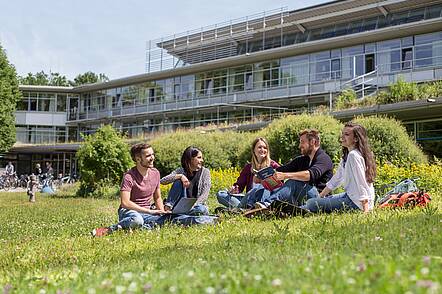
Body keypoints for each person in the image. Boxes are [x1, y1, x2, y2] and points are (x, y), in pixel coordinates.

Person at [92, 144, 216, 237]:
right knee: (137, 220)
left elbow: (157, 197)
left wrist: (161, 211)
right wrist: (151, 212)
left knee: (175, 219)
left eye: (152, 154)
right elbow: (125, 203)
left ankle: (211, 220)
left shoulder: (155, 173)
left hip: (149, 213)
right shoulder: (129, 176)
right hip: (130, 212)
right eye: (148, 156)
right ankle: (110, 229)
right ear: (138, 159)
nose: (152, 158)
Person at [305, 122, 376, 213]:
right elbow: (337, 179)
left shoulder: (353, 156)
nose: (342, 137)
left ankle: (304, 208)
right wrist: (321, 196)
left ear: (356, 139)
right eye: (342, 133)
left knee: (311, 203)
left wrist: (366, 209)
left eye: (346, 134)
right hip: (350, 196)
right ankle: (298, 209)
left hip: (357, 203)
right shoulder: (347, 156)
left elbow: (361, 182)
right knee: (316, 201)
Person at [254, 129, 333, 207]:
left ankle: (268, 205)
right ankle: (251, 206)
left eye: (302, 142)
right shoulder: (302, 160)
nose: (299, 146)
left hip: (319, 198)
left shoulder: (324, 159)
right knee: (266, 187)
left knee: (293, 182)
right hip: (301, 198)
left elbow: (309, 175)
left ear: (312, 142)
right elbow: (281, 170)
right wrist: (262, 176)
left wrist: (286, 176)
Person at [216, 137, 280, 209]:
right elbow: (239, 185)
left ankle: (241, 209)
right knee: (221, 194)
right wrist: (235, 189)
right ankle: (244, 209)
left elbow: (280, 184)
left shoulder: (273, 165)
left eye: (265, 148)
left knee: (262, 185)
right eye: (259, 147)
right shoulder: (248, 167)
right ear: (254, 150)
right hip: (249, 198)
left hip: (266, 199)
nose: (262, 150)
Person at [161, 146, 211, 215]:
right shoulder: (181, 171)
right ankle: (168, 208)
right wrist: (180, 176)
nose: (202, 160)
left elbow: (204, 195)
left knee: (201, 209)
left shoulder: (205, 172)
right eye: (199, 158)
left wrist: (193, 205)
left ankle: (177, 214)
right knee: (178, 180)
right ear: (191, 159)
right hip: (181, 205)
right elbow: (163, 181)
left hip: (196, 206)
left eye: (202, 158)